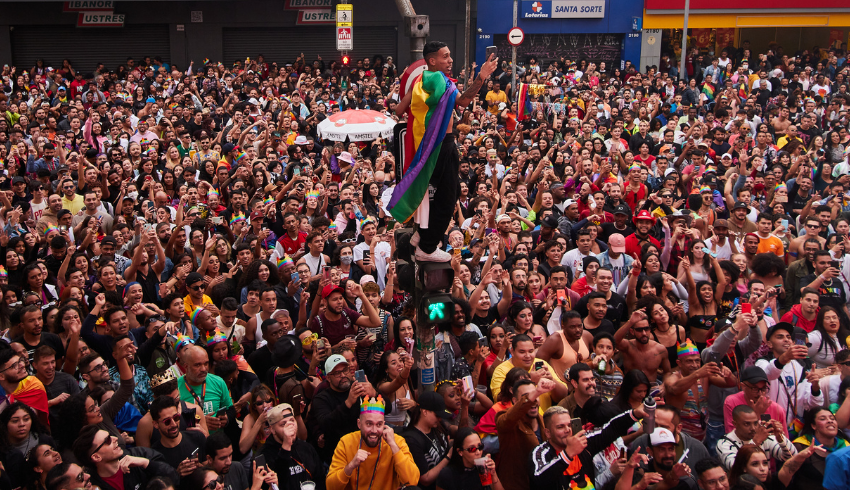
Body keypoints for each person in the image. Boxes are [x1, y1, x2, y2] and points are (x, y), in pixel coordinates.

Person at [389, 41, 498, 262]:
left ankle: (421, 234)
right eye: (445, 57)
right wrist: (481, 77)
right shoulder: (442, 82)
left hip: (424, 147)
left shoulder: (419, 81)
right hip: (442, 144)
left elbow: (399, 110)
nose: (450, 61)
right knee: (448, 197)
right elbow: (464, 101)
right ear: (432, 60)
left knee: (430, 194)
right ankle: (427, 247)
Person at [529, 403, 649, 487]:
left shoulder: (583, 441)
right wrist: (568, 454)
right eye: (560, 427)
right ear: (548, 433)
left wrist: (634, 414)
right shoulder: (539, 453)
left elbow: (610, 429)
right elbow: (539, 479)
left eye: (569, 425)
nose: (567, 430)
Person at [326, 395, 419, 490]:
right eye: (369, 424)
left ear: (384, 424)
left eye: (379, 424)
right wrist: (350, 466)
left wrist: (393, 446)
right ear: (359, 424)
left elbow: (412, 481)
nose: (374, 430)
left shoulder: (396, 441)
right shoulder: (346, 442)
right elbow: (330, 486)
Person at [70, 425, 178, 490]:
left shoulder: (139, 454)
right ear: (96, 457)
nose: (115, 439)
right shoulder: (92, 484)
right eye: (107, 440)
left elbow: (174, 478)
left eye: (111, 435)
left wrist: (146, 463)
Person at [258, 403, 324, 490]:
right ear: (272, 429)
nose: (290, 426)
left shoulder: (307, 448)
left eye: (292, 420)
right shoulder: (264, 456)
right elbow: (274, 484)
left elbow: (320, 479)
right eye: (283, 424)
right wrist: (286, 446)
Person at [717, 404, 797, 469]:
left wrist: (781, 439)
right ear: (735, 424)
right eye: (747, 424)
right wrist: (755, 442)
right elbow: (736, 468)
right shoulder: (725, 443)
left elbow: (792, 457)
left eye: (755, 423)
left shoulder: (765, 436)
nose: (753, 428)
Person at [149, 395, 207, 476]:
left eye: (176, 417)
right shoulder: (154, 455)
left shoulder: (197, 437)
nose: (173, 424)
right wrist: (176, 475)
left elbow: (209, 470)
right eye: (167, 421)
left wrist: (199, 468)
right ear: (155, 424)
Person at [436, 427, 503, 490]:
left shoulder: (483, 467)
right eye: (472, 449)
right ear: (460, 452)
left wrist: (493, 474)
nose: (478, 452)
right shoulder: (447, 475)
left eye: (480, 447)